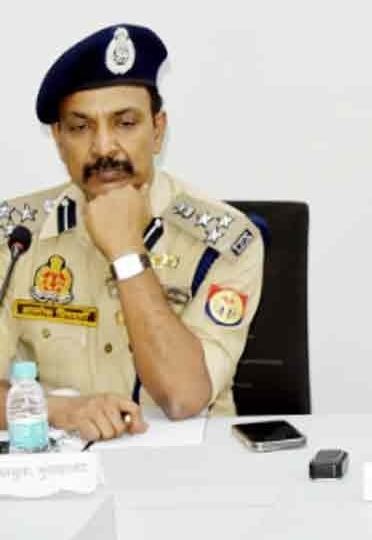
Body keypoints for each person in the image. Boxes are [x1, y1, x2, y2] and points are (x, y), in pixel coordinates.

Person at [0, 24, 265, 441]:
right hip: (58, 463)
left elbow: (183, 397)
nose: (105, 147)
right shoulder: (14, 236)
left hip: (190, 468)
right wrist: (59, 411)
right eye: (81, 127)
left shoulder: (224, 242)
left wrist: (126, 252)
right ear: (58, 139)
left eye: (125, 123)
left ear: (157, 131)